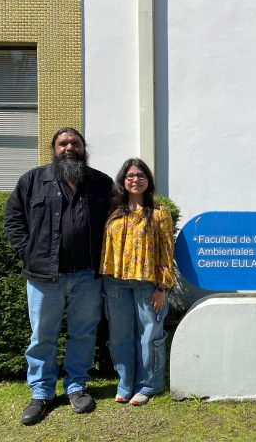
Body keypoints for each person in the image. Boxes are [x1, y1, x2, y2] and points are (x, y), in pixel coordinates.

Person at [4, 128, 113, 425]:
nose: (69, 147)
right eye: (63, 143)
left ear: (83, 147)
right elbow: (13, 218)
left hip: (87, 276)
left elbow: (116, 223)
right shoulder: (32, 180)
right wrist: (27, 252)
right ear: (54, 148)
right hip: (43, 277)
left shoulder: (101, 183)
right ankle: (41, 393)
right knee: (42, 336)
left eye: (74, 143)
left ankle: (76, 386)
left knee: (83, 333)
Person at [100, 158, 175, 406]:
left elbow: (166, 251)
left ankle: (148, 385)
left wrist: (163, 287)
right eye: (130, 175)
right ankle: (125, 384)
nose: (135, 179)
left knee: (149, 335)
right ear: (123, 180)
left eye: (141, 175)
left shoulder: (159, 213)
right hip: (115, 283)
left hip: (147, 284)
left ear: (148, 181)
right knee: (120, 336)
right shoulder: (112, 212)